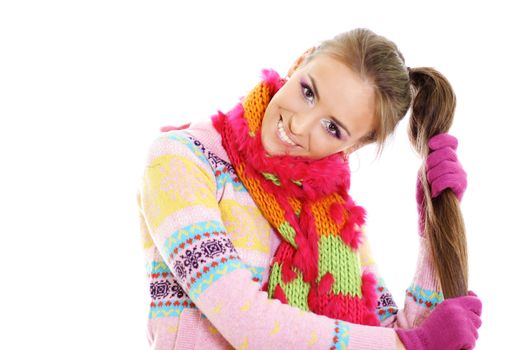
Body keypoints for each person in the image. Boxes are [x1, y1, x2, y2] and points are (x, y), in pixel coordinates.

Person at [137, 28, 482, 349]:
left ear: (353, 147)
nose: (299, 124)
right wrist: (408, 345)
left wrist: (433, 233)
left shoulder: (338, 222)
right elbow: (244, 320)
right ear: (299, 62)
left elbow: (392, 333)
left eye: (332, 128)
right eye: (308, 92)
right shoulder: (181, 160)